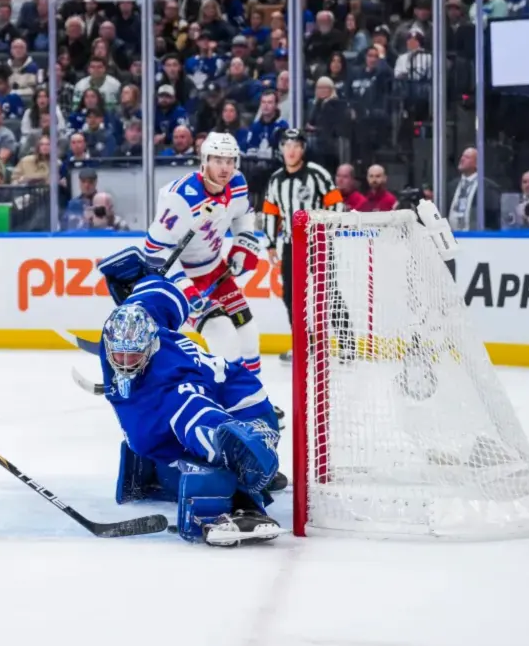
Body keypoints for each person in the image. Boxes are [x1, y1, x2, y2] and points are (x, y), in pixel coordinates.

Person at [95, 251, 286, 546]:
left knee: (212, 456)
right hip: (219, 392)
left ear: (151, 346)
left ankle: (247, 506)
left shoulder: (173, 384)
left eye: (133, 355)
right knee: (160, 449)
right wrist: (145, 279)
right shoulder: (134, 325)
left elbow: (200, 417)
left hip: (245, 410)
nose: (123, 362)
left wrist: (234, 447)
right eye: (118, 353)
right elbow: (156, 300)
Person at [143, 132, 265, 374]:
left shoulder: (237, 183)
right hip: (182, 277)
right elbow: (154, 248)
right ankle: (229, 397)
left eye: (230, 161)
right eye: (218, 160)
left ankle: (255, 398)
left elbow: (243, 213)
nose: (225, 168)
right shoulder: (180, 197)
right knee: (222, 332)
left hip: (215, 269)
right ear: (205, 160)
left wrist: (243, 242)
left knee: (247, 333)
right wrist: (183, 286)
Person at [262, 128, 352, 363]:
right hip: (291, 245)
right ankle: (302, 345)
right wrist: (270, 243)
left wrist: (325, 229)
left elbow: (336, 204)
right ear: (281, 149)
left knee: (328, 292)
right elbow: (271, 212)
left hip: (318, 242)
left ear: (303, 149)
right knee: (291, 296)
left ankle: (347, 344)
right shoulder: (276, 179)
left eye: (296, 146)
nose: (291, 150)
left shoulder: (317, 174)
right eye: (287, 145)